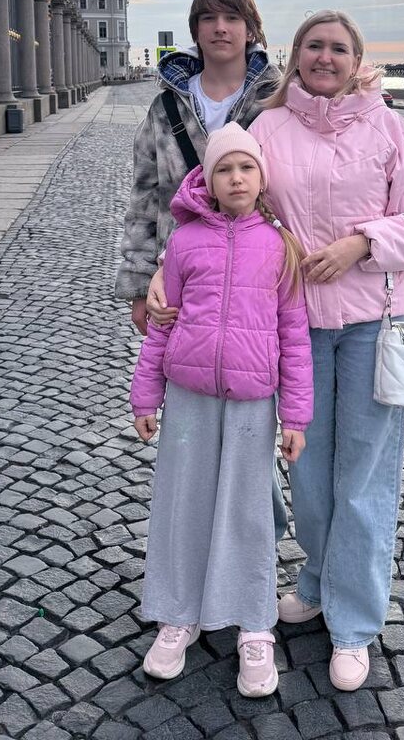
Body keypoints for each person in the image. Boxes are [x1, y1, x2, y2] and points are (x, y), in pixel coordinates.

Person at [147, 9, 404, 691]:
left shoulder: (387, 127)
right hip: (297, 324)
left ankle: (354, 622)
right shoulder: (270, 127)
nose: (325, 57)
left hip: (373, 321)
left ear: (356, 60)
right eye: (314, 46)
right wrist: (166, 269)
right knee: (304, 475)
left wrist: (362, 244)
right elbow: (223, 201)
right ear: (296, 56)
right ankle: (315, 579)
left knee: (363, 477)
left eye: (338, 48)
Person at [130, 124, 313, 697]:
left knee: (247, 510)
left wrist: (295, 417)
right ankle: (177, 612)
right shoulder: (184, 242)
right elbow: (162, 325)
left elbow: (294, 336)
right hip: (189, 397)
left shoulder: (280, 247)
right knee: (183, 503)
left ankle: (254, 622)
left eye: (246, 168)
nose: (236, 178)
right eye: (224, 169)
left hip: (254, 401)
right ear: (208, 180)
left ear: (262, 177)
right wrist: (145, 395)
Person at [115, 0, 280, 331]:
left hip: (258, 275)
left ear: (251, 29)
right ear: (196, 30)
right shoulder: (165, 108)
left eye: (232, 17)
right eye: (209, 18)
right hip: (179, 274)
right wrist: (139, 286)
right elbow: (144, 199)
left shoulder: (277, 102)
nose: (220, 27)